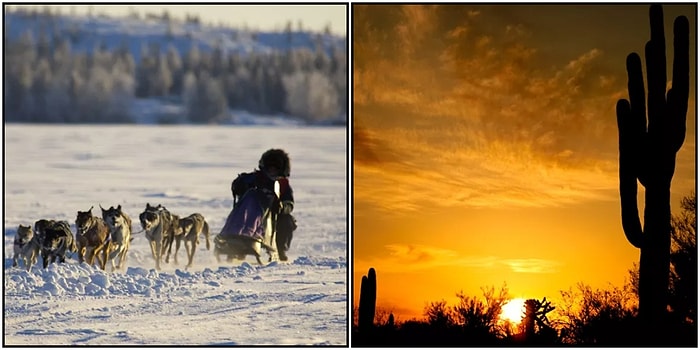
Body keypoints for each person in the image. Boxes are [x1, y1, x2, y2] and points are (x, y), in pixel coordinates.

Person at [231, 149, 297, 261]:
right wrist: (239, 184)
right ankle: (237, 244)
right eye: (269, 168)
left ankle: (280, 250)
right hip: (254, 210)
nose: (272, 171)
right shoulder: (256, 178)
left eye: (275, 169)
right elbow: (240, 185)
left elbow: (289, 203)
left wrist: (282, 207)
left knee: (287, 221)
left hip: (275, 214)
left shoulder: (283, 184)